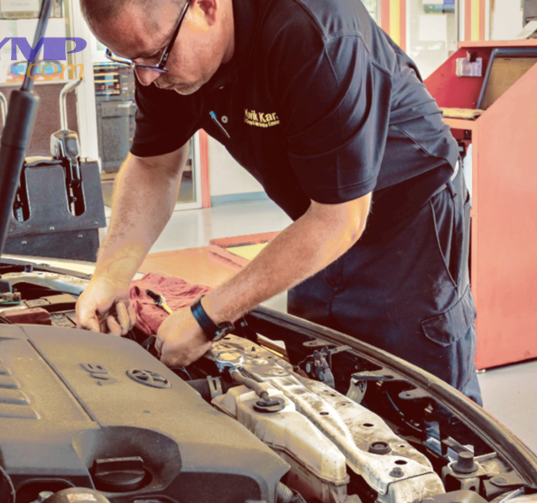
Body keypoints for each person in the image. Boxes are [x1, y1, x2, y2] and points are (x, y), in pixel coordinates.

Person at [75, 0, 482, 403]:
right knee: (320, 380)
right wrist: (111, 276)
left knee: (422, 394)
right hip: (316, 218)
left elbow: (341, 219)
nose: (146, 79)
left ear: (206, 7)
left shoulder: (314, 33)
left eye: (154, 56)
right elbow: (153, 166)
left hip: (409, 219)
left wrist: (205, 317)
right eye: (130, 61)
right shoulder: (166, 58)